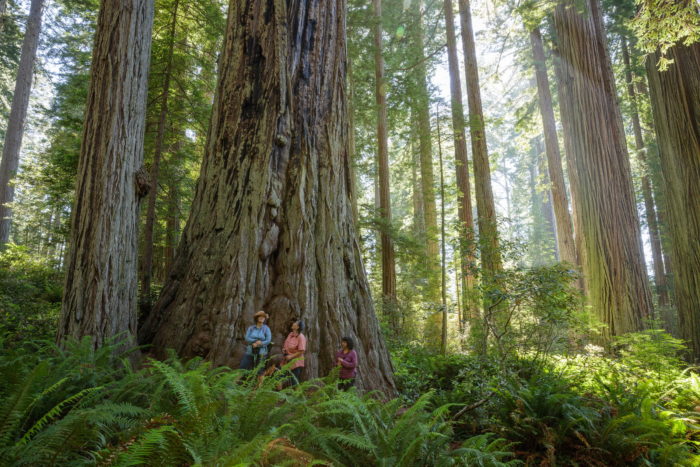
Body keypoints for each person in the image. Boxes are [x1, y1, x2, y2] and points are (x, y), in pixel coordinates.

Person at [282, 319, 307, 386]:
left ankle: (296, 395)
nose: (293, 323)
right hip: (286, 360)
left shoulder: (301, 337)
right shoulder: (290, 334)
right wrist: (284, 349)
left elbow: (302, 351)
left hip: (296, 362)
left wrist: (291, 356)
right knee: (281, 377)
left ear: (298, 327)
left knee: (294, 381)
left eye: (295, 323)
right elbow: (286, 344)